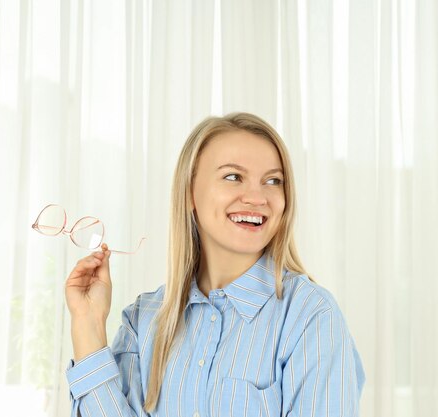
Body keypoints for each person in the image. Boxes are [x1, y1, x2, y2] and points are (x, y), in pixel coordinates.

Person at [64, 112, 365, 417]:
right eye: (233, 176)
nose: (256, 197)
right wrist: (88, 324)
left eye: (273, 181)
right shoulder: (144, 320)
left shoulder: (310, 316)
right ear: (189, 193)